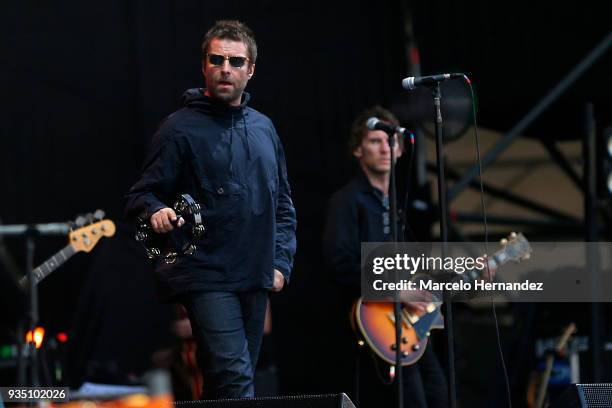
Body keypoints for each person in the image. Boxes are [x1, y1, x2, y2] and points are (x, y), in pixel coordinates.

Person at [125, 20, 297, 399]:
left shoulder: (264, 128)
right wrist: (155, 210)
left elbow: (283, 203)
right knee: (236, 381)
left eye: (236, 61)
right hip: (205, 275)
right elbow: (141, 194)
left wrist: (281, 264)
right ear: (204, 65)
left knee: (227, 383)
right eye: (217, 59)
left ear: (250, 69)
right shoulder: (178, 129)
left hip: (255, 275)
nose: (226, 68)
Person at [322, 106, 448, 407]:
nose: (384, 148)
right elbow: (340, 264)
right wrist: (397, 290)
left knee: (439, 394)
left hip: (408, 324)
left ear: (401, 149)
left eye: (390, 141)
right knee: (412, 400)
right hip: (375, 322)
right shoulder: (347, 201)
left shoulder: (397, 205)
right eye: (375, 141)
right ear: (357, 150)